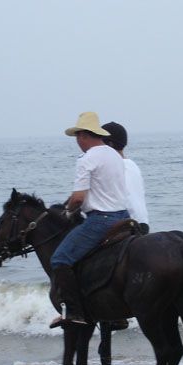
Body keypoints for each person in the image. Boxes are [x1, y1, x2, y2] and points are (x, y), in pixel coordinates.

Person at [50, 112, 129, 328]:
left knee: (60, 259)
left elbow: (78, 198)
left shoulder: (87, 159)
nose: (77, 142)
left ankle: (74, 312)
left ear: (83, 135)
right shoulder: (115, 155)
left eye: (78, 137)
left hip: (101, 220)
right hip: (124, 218)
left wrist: (68, 211)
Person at [101, 121, 150, 234]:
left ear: (110, 144)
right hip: (143, 223)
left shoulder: (112, 166)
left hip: (126, 225)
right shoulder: (132, 165)